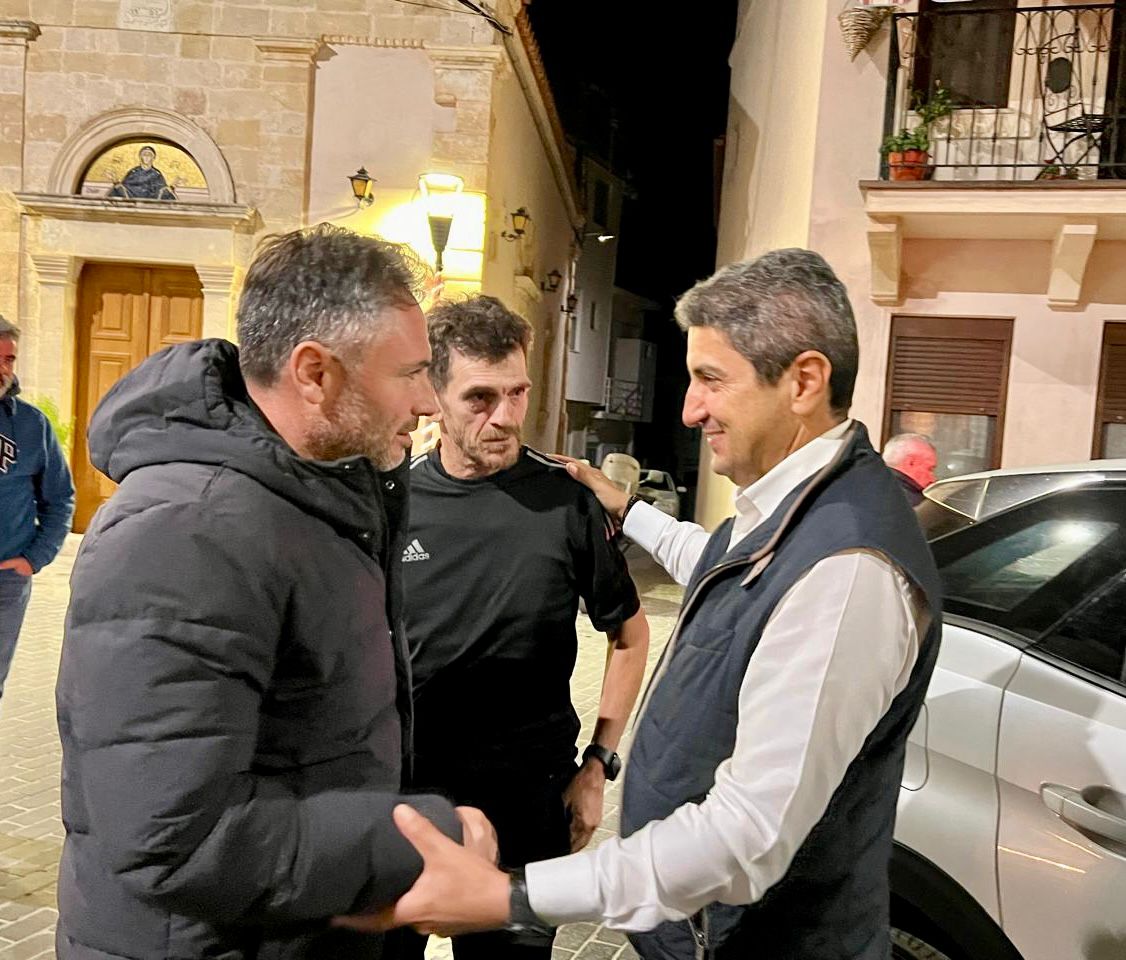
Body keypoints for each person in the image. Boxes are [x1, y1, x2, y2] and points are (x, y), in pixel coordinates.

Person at [338, 249, 944, 960]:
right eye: (479, 397)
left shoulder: (848, 567)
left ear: (804, 382)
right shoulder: (794, 515)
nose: (689, 410)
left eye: (710, 379)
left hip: (755, 938)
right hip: (442, 803)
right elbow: (715, 561)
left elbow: (744, 836)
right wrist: (630, 509)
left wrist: (521, 890)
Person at [55, 225, 495, 960]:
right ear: (314, 372)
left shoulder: (317, 495)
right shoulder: (188, 532)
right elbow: (177, 838)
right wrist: (423, 840)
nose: (429, 401)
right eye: (410, 373)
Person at [398, 295, 650, 960]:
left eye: (517, 392)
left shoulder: (566, 502)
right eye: (480, 398)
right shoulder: (395, 503)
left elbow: (630, 636)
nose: (506, 416)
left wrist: (597, 765)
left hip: (528, 802)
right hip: (408, 797)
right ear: (434, 395)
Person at [0, 316, 75, 703]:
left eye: (9, 359)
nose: (3, 368)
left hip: (5, 582)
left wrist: (34, 558)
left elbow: (60, 498)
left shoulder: (32, 426)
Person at [882, 432, 938, 507]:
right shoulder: (916, 503)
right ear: (910, 463)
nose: (933, 479)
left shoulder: (870, 485)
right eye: (930, 469)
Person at [108, 145, 177, 200]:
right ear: (140, 157)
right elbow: (124, 188)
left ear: (153, 158)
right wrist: (115, 182)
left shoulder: (156, 174)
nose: (146, 157)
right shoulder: (133, 172)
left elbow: (162, 190)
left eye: (149, 155)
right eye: (144, 154)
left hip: (151, 202)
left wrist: (172, 187)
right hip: (133, 200)